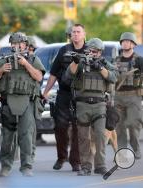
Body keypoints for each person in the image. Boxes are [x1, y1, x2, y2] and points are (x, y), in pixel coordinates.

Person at [0, 32, 45, 177]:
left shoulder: (33, 59)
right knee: (8, 137)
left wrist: (26, 64)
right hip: (8, 102)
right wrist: (2, 70)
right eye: (13, 44)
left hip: (27, 102)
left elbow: (39, 76)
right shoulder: (5, 60)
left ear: (25, 45)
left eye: (19, 44)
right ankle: (5, 166)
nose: (16, 46)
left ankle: (26, 166)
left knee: (26, 136)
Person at [65, 38, 118, 176]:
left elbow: (113, 77)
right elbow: (68, 75)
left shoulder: (105, 64)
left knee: (100, 136)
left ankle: (100, 166)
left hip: (100, 104)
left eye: (95, 51)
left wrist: (100, 67)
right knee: (83, 137)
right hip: (82, 104)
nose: (92, 53)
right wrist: (75, 62)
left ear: (100, 52)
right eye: (90, 51)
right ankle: (86, 167)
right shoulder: (81, 63)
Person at [42, 23, 86, 172]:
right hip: (64, 93)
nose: (75, 34)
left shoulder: (89, 50)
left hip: (82, 95)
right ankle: (61, 158)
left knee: (78, 128)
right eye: (73, 32)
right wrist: (46, 91)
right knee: (60, 126)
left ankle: (76, 161)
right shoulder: (63, 50)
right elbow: (54, 73)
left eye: (78, 32)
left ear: (84, 34)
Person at [114, 32, 143, 160]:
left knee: (133, 124)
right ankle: (122, 152)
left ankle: (136, 148)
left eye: (128, 41)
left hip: (134, 96)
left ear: (133, 44)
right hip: (118, 96)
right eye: (123, 41)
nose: (125, 43)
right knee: (119, 127)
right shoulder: (115, 61)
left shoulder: (139, 60)